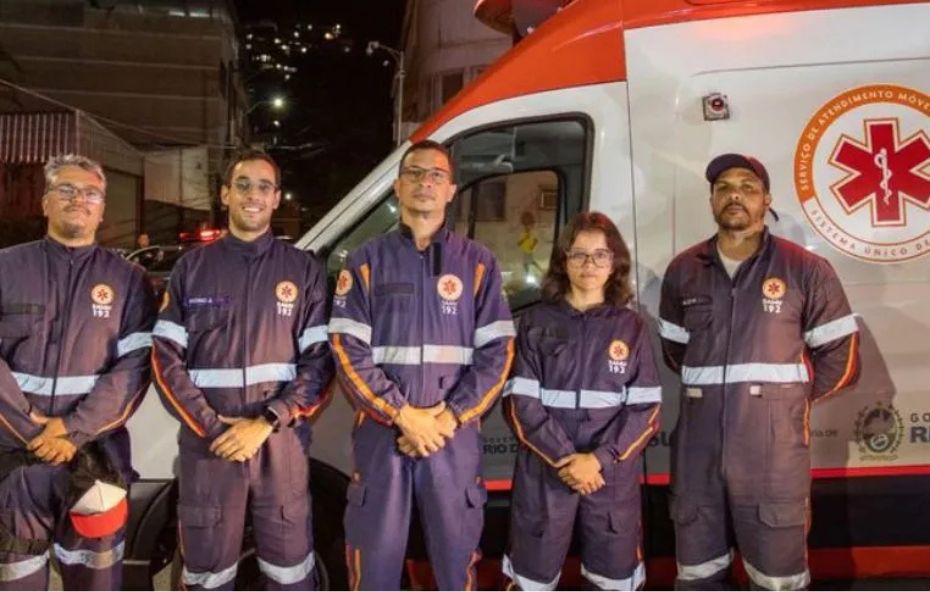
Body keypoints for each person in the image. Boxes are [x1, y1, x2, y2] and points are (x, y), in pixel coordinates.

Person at [659, 154, 860, 590]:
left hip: (773, 452)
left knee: (776, 576)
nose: (735, 195)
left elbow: (841, 356)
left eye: (748, 187)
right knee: (696, 573)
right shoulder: (683, 271)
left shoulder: (805, 270)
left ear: (766, 199)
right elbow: (676, 352)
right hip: (697, 452)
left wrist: (786, 404)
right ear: (712, 199)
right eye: (724, 187)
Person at [328, 139, 515, 590]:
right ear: (397, 186)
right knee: (374, 566)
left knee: (456, 566)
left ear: (451, 190)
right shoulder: (366, 261)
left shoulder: (478, 264)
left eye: (436, 175)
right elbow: (346, 347)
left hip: (452, 436)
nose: (424, 182)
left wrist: (447, 418)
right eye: (414, 173)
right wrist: (403, 416)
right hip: (383, 433)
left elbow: (499, 351)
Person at [152, 149, 333, 590]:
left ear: (276, 200)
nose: (254, 195)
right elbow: (164, 359)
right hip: (209, 447)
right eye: (244, 185)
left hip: (280, 446)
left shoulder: (304, 271)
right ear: (225, 194)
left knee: (290, 571)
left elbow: (320, 363)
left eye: (264, 187)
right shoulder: (192, 269)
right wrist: (214, 428)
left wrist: (267, 420)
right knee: (207, 574)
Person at [0, 154, 156, 590]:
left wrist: (71, 431)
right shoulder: (6, 268)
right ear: (45, 201)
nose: (78, 200)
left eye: (91, 193)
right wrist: (30, 432)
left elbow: (135, 366)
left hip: (95, 460)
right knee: (16, 578)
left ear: (102, 210)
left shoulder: (129, 280)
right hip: (16, 463)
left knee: (96, 577)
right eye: (66, 190)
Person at [502, 212, 661, 591]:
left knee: (614, 579)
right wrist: (565, 459)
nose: (589, 265)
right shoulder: (537, 321)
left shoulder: (632, 326)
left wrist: (597, 460)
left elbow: (647, 410)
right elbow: (519, 403)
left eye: (600, 255)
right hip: (547, 471)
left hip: (610, 475)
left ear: (614, 264)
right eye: (579, 255)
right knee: (530, 578)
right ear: (563, 261)